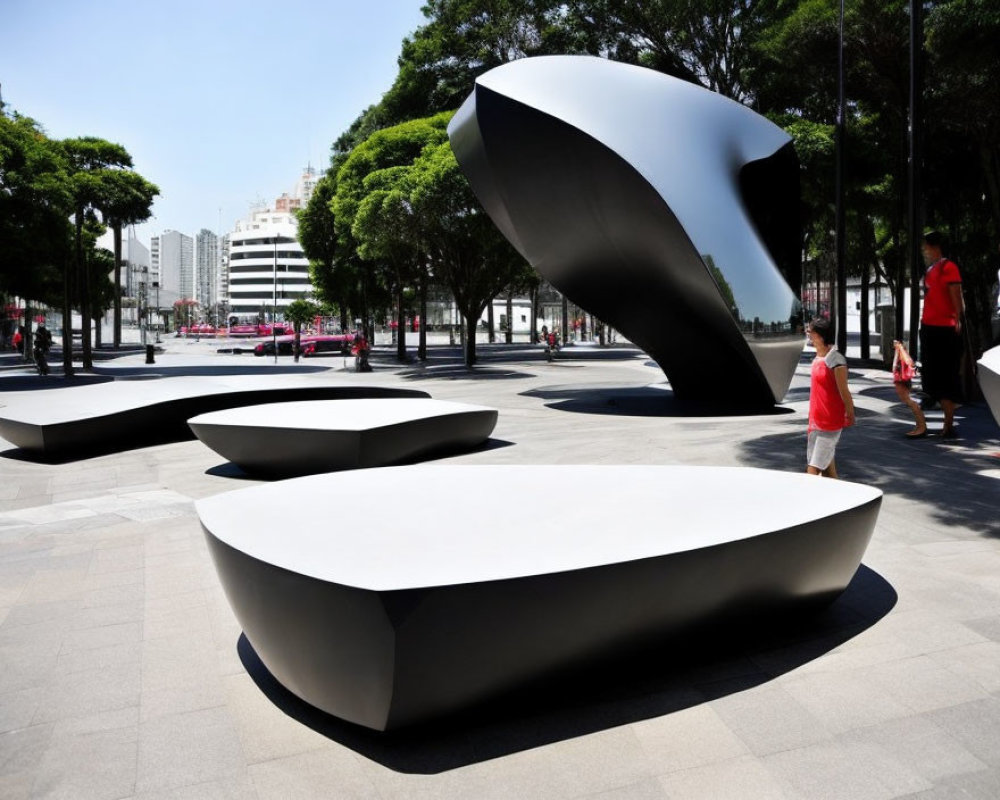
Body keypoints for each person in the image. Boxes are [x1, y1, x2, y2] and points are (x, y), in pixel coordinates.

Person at [919, 230, 964, 438]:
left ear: (933, 246)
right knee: (933, 374)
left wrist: (957, 319)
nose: (924, 250)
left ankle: (949, 424)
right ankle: (944, 419)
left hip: (944, 328)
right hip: (930, 327)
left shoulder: (948, 267)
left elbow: (956, 293)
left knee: (947, 375)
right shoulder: (931, 269)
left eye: (926, 246)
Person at [806, 316, 855, 478]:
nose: (808, 334)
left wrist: (850, 413)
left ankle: (806, 501)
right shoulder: (818, 358)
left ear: (820, 335)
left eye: (810, 331)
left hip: (830, 423)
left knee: (813, 471)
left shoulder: (835, 359)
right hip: (815, 422)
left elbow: (844, 391)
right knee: (828, 471)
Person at [893, 339, 927, 437]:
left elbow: (909, 362)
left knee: (910, 402)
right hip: (900, 379)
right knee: (909, 402)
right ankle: (919, 426)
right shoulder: (899, 350)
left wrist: (900, 348)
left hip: (902, 379)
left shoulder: (901, 350)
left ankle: (921, 427)